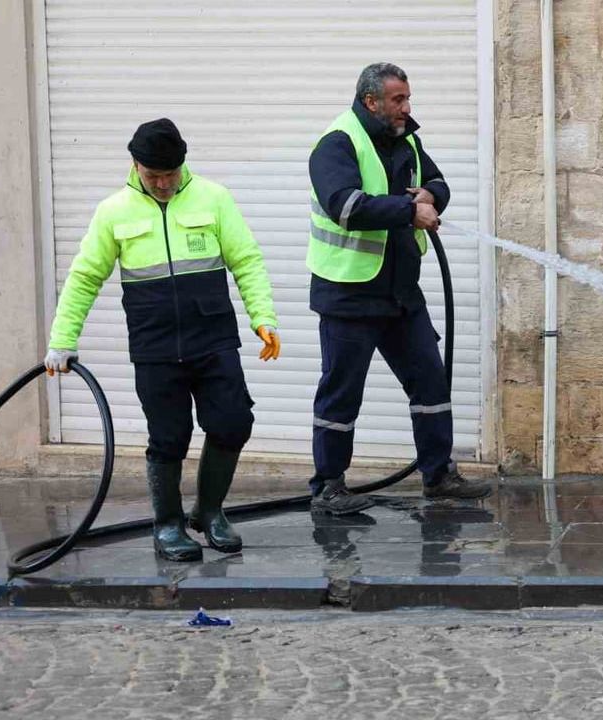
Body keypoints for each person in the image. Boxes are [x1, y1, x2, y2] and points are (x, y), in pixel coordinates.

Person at [44, 118, 280, 561]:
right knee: (169, 437)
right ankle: (168, 524)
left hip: (213, 339)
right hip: (154, 347)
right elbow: (84, 278)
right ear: (135, 166)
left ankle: (210, 513)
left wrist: (262, 317)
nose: (164, 184)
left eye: (171, 175)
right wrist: (63, 339)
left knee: (233, 423)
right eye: (154, 176)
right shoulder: (113, 212)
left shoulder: (213, 198)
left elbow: (246, 260)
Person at [306, 62, 491, 514]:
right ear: (371, 101)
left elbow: (437, 181)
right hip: (349, 293)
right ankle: (328, 485)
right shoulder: (337, 144)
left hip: (401, 293)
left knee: (429, 380)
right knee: (342, 391)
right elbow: (345, 206)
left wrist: (429, 197)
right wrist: (409, 213)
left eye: (407, 98)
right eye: (398, 100)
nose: (407, 107)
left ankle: (438, 475)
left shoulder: (406, 138)